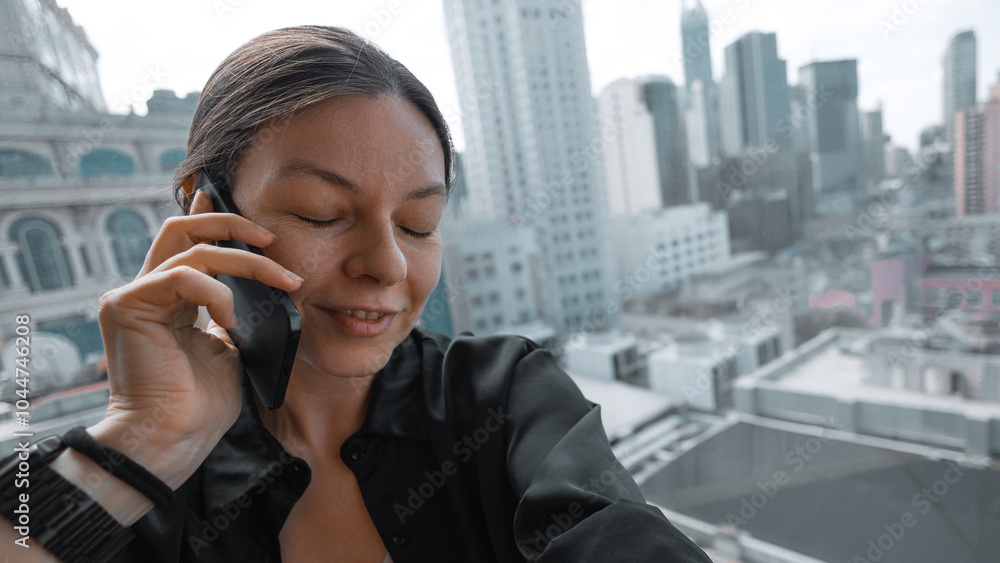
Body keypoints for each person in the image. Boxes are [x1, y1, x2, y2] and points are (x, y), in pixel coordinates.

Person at [0, 26, 711, 562]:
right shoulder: (140, 468)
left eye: (419, 224)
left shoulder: (498, 395)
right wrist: (148, 440)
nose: (388, 265)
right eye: (320, 213)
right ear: (205, 209)